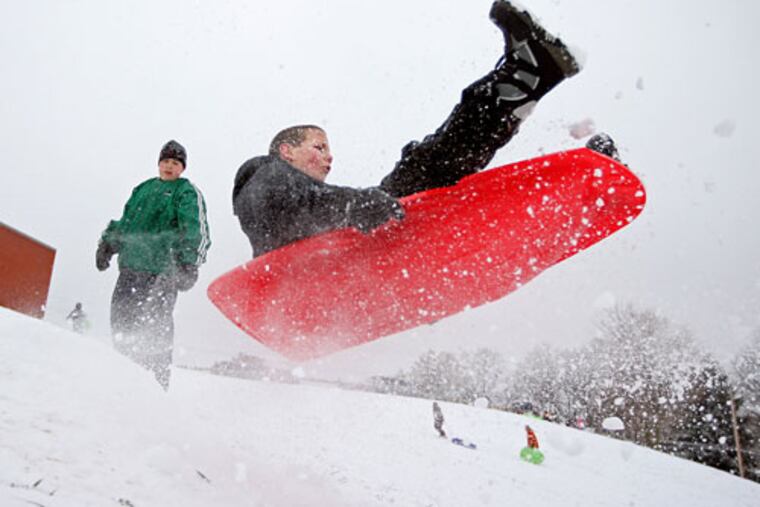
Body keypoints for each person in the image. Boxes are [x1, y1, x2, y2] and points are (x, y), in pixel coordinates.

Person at [233, 1, 594, 257]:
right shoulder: (263, 175)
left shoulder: (311, 199)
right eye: (318, 147)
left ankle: (529, 83)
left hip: (351, 260)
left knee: (429, 167)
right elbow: (281, 206)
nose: (329, 159)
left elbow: (309, 210)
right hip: (341, 261)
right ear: (286, 151)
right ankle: (528, 74)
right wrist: (360, 204)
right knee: (424, 166)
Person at [96, 140, 211, 389]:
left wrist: (189, 263)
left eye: (175, 163)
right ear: (159, 163)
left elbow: (196, 230)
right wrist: (108, 243)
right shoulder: (142, 189)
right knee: (122, 325)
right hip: (130, 269)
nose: (169, 166)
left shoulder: (186, 192)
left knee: (154, 329)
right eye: (166, 161)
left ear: (182, 168)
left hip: (162, 273)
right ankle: (123, 382)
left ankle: (155, 386)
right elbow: (127, 222)